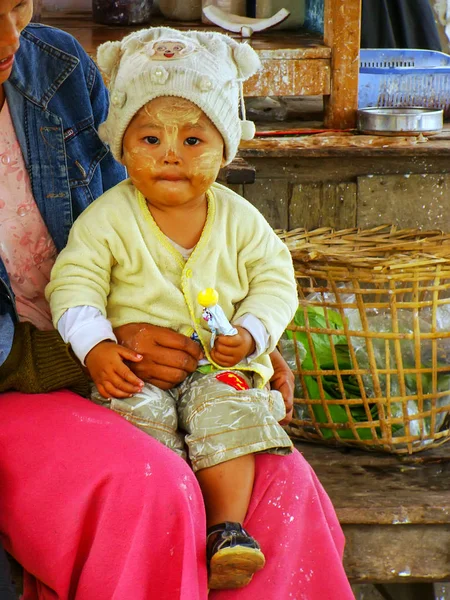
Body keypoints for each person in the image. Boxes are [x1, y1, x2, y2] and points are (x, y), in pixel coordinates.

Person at [0, 2, 355, 598]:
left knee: (279, 479)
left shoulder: (55, 68)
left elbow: (150, 225)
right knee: (153, 484)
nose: (9, 35)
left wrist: (249, 342)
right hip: (27, 380)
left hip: (140, 363)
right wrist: (96, 349)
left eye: (16, 4)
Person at [46, 27, 299, 590]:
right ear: (122, 146)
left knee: (226, 413)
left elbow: (276, 280)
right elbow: (73, 282)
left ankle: (227, 531)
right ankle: (170, 523)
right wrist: (96, 346)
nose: (170, 156)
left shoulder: (238, 220)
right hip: (137, 369)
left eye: (193, 141)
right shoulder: (108, 220)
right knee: (140, 422)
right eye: (151, 139)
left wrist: (255, 335)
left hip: (217, 365)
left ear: (225, 146)